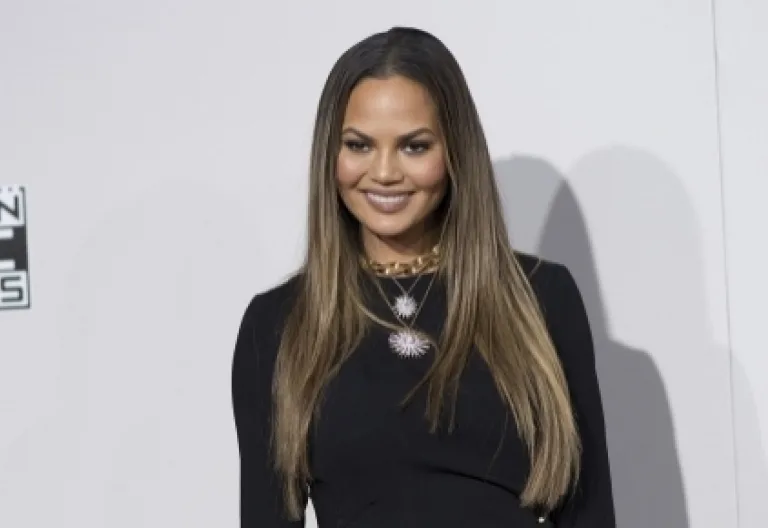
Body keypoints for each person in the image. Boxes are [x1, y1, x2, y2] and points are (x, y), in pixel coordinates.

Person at [230, 27, 617, 527]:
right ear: (330, 154)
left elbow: (590, 513)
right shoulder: (278, 324)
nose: (384, 172)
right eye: (359, 145)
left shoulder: (541, 298)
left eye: (413, 146)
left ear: (454, 152)